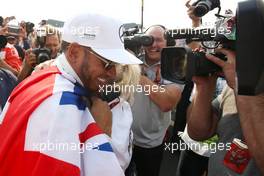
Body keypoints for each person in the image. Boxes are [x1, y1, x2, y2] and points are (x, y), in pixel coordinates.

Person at [0, 13, 142, 176]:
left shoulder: (41, 79)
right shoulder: (62, 104)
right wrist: (102, 132)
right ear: (74, 53)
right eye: (107, 64)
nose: (112, 73)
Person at [187, 48, 262, 175]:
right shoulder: (232, 87)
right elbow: (198, 132)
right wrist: (204, 87)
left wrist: (242, 85)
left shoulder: (238, 83)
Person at [130, 24, 183, 176]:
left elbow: (166, 103)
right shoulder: (131, 60)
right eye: (149, 39)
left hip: (150, 143)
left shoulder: (175, 66)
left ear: (168, 43)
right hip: (124, 137)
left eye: (159, 40)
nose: (153, 44)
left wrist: (138, 75)